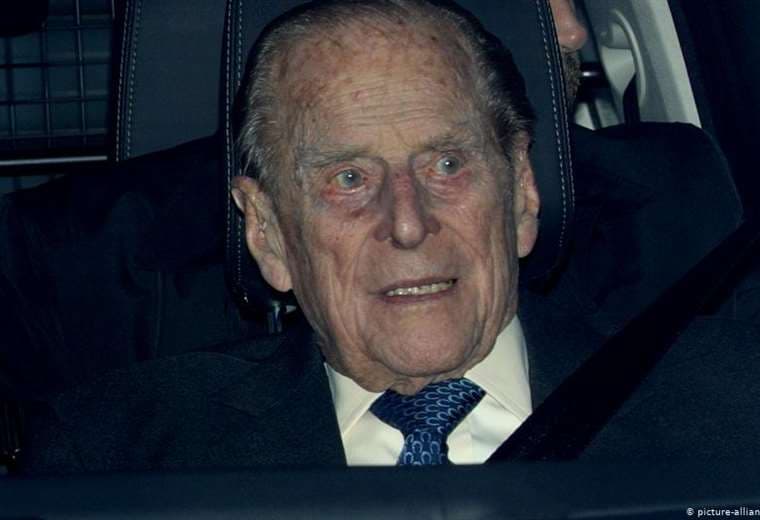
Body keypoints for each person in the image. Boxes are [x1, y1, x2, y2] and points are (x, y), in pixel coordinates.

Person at [14, 0, 760, 475]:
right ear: (268, 233)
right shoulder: (116, 456)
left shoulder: (734, 409)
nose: (407, 223)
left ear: (522, 193)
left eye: (446, 164)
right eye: (348, 179)